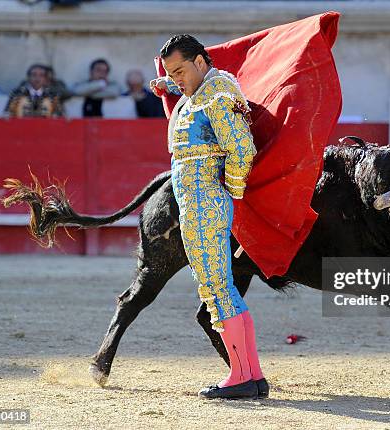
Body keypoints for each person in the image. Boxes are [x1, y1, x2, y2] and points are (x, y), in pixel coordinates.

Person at [151, 34, 267, 400]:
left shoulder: (218, 90)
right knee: (222, 287)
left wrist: (228, 193)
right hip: (199, 201)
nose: (177, 79)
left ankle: (241, 376)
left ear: (202, 61)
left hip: (204, 201)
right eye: (172, 74)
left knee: (215, 289)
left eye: (181, 71)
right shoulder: (199, 91)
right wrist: (168, 87)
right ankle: (252, 375)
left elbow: (241, 149)